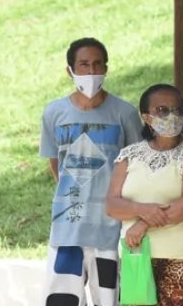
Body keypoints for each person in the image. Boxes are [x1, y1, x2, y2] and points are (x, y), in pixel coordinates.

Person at [40, 37, 144, 306]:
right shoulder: (54, 112)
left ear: (106, 69)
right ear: (70, 70)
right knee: (62, 299)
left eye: (98, 64)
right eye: (84, 65)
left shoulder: (124, 113)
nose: (91, 71)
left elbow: (138, 164)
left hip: (109, 229)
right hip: (67, 229)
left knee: (109, 299)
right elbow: (56, 163)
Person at [106, 83, 183, 306]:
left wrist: (142, 224)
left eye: (177, 110)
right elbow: (112, 205)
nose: (171, 116)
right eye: (162, 110)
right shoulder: (129, 155)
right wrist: (142, 210)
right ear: (146, 117)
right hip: (136, 258)